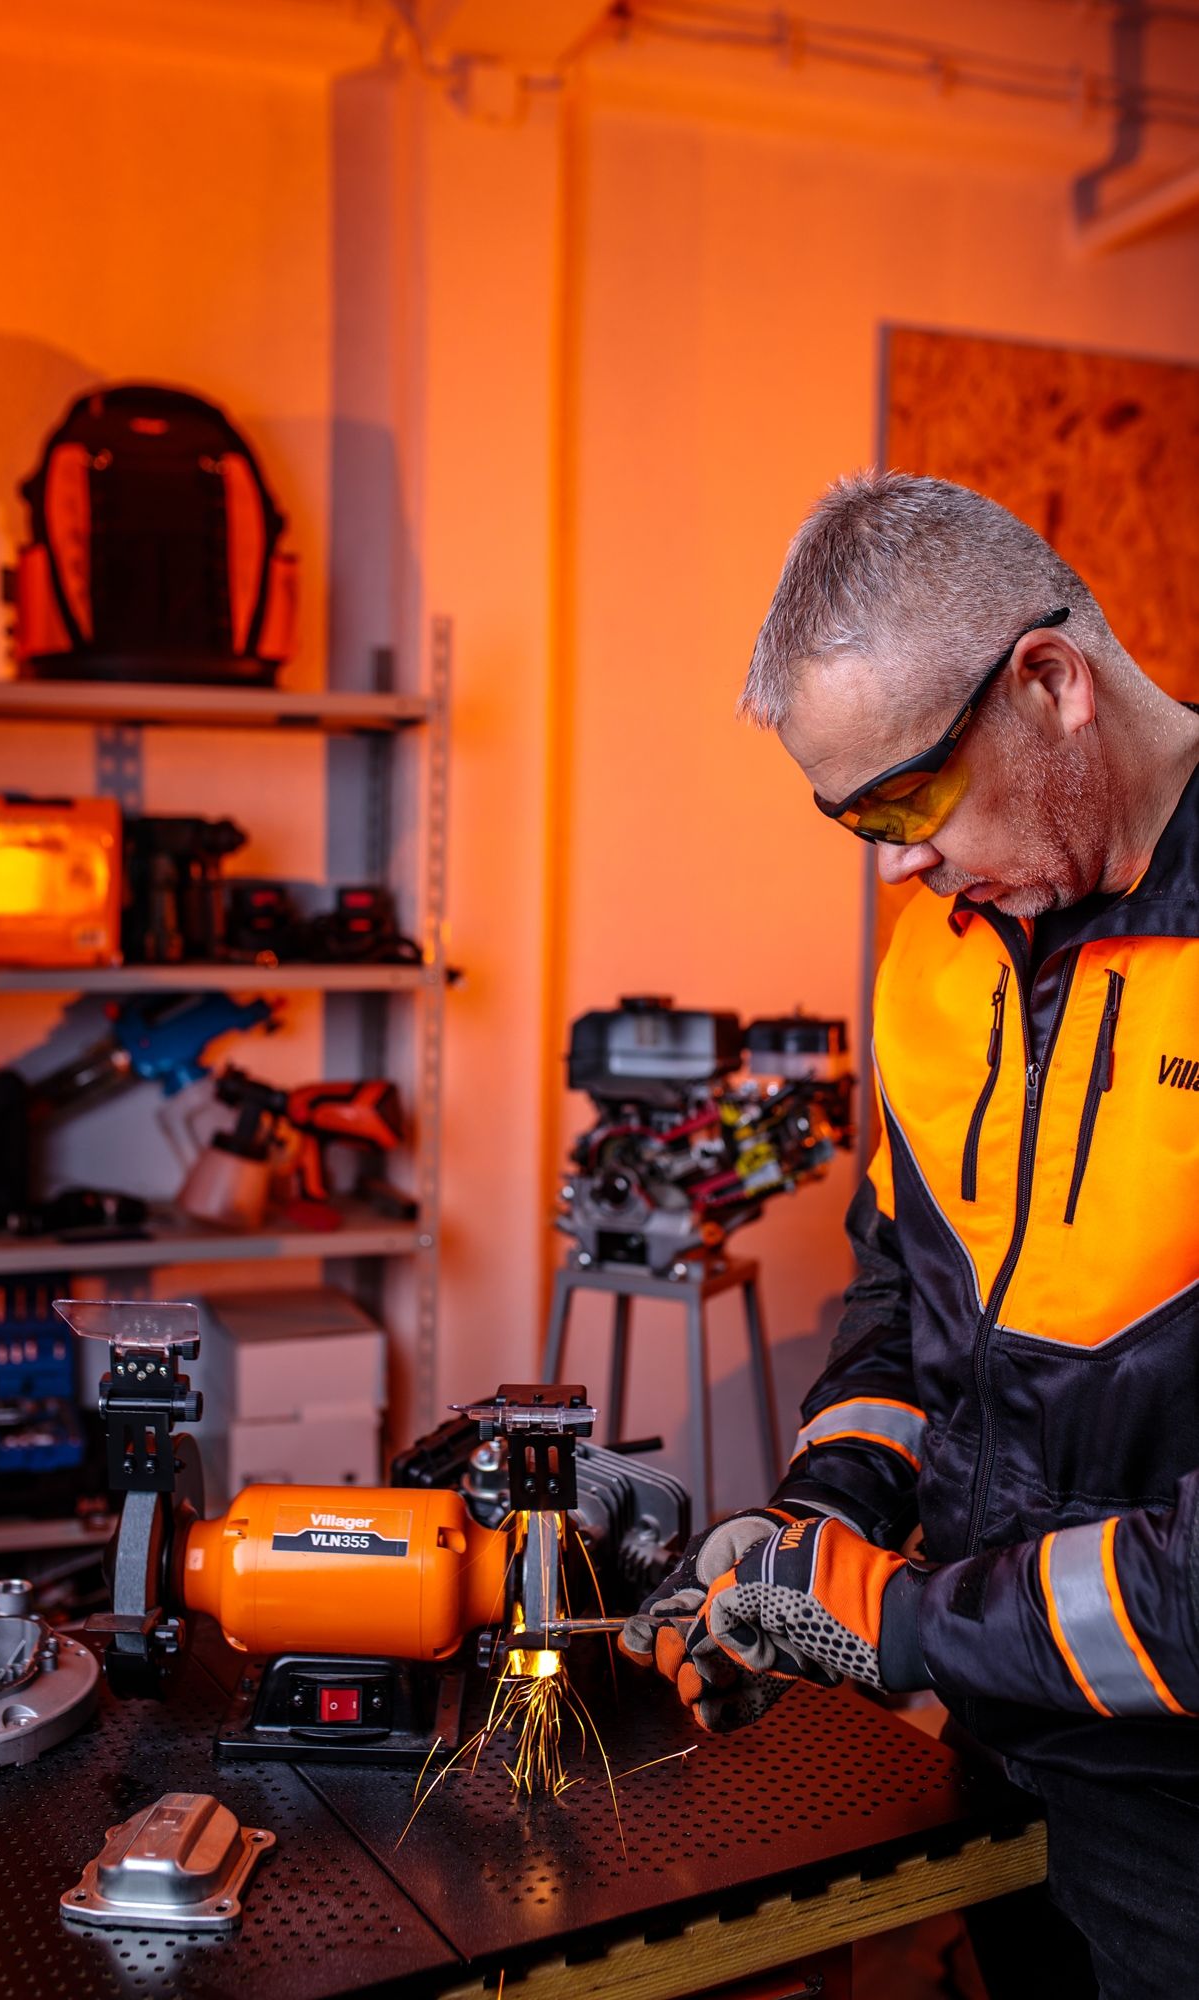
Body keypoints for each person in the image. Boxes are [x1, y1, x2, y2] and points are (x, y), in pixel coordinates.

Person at [620, 471, 1199, 2000]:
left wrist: (898, 1623)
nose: (892, 863)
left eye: (905, 801)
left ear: (1049, 683)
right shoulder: (933, 962)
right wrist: (819, 1522)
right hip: (998, 1745)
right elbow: (903, 1300)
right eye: (851, 820)